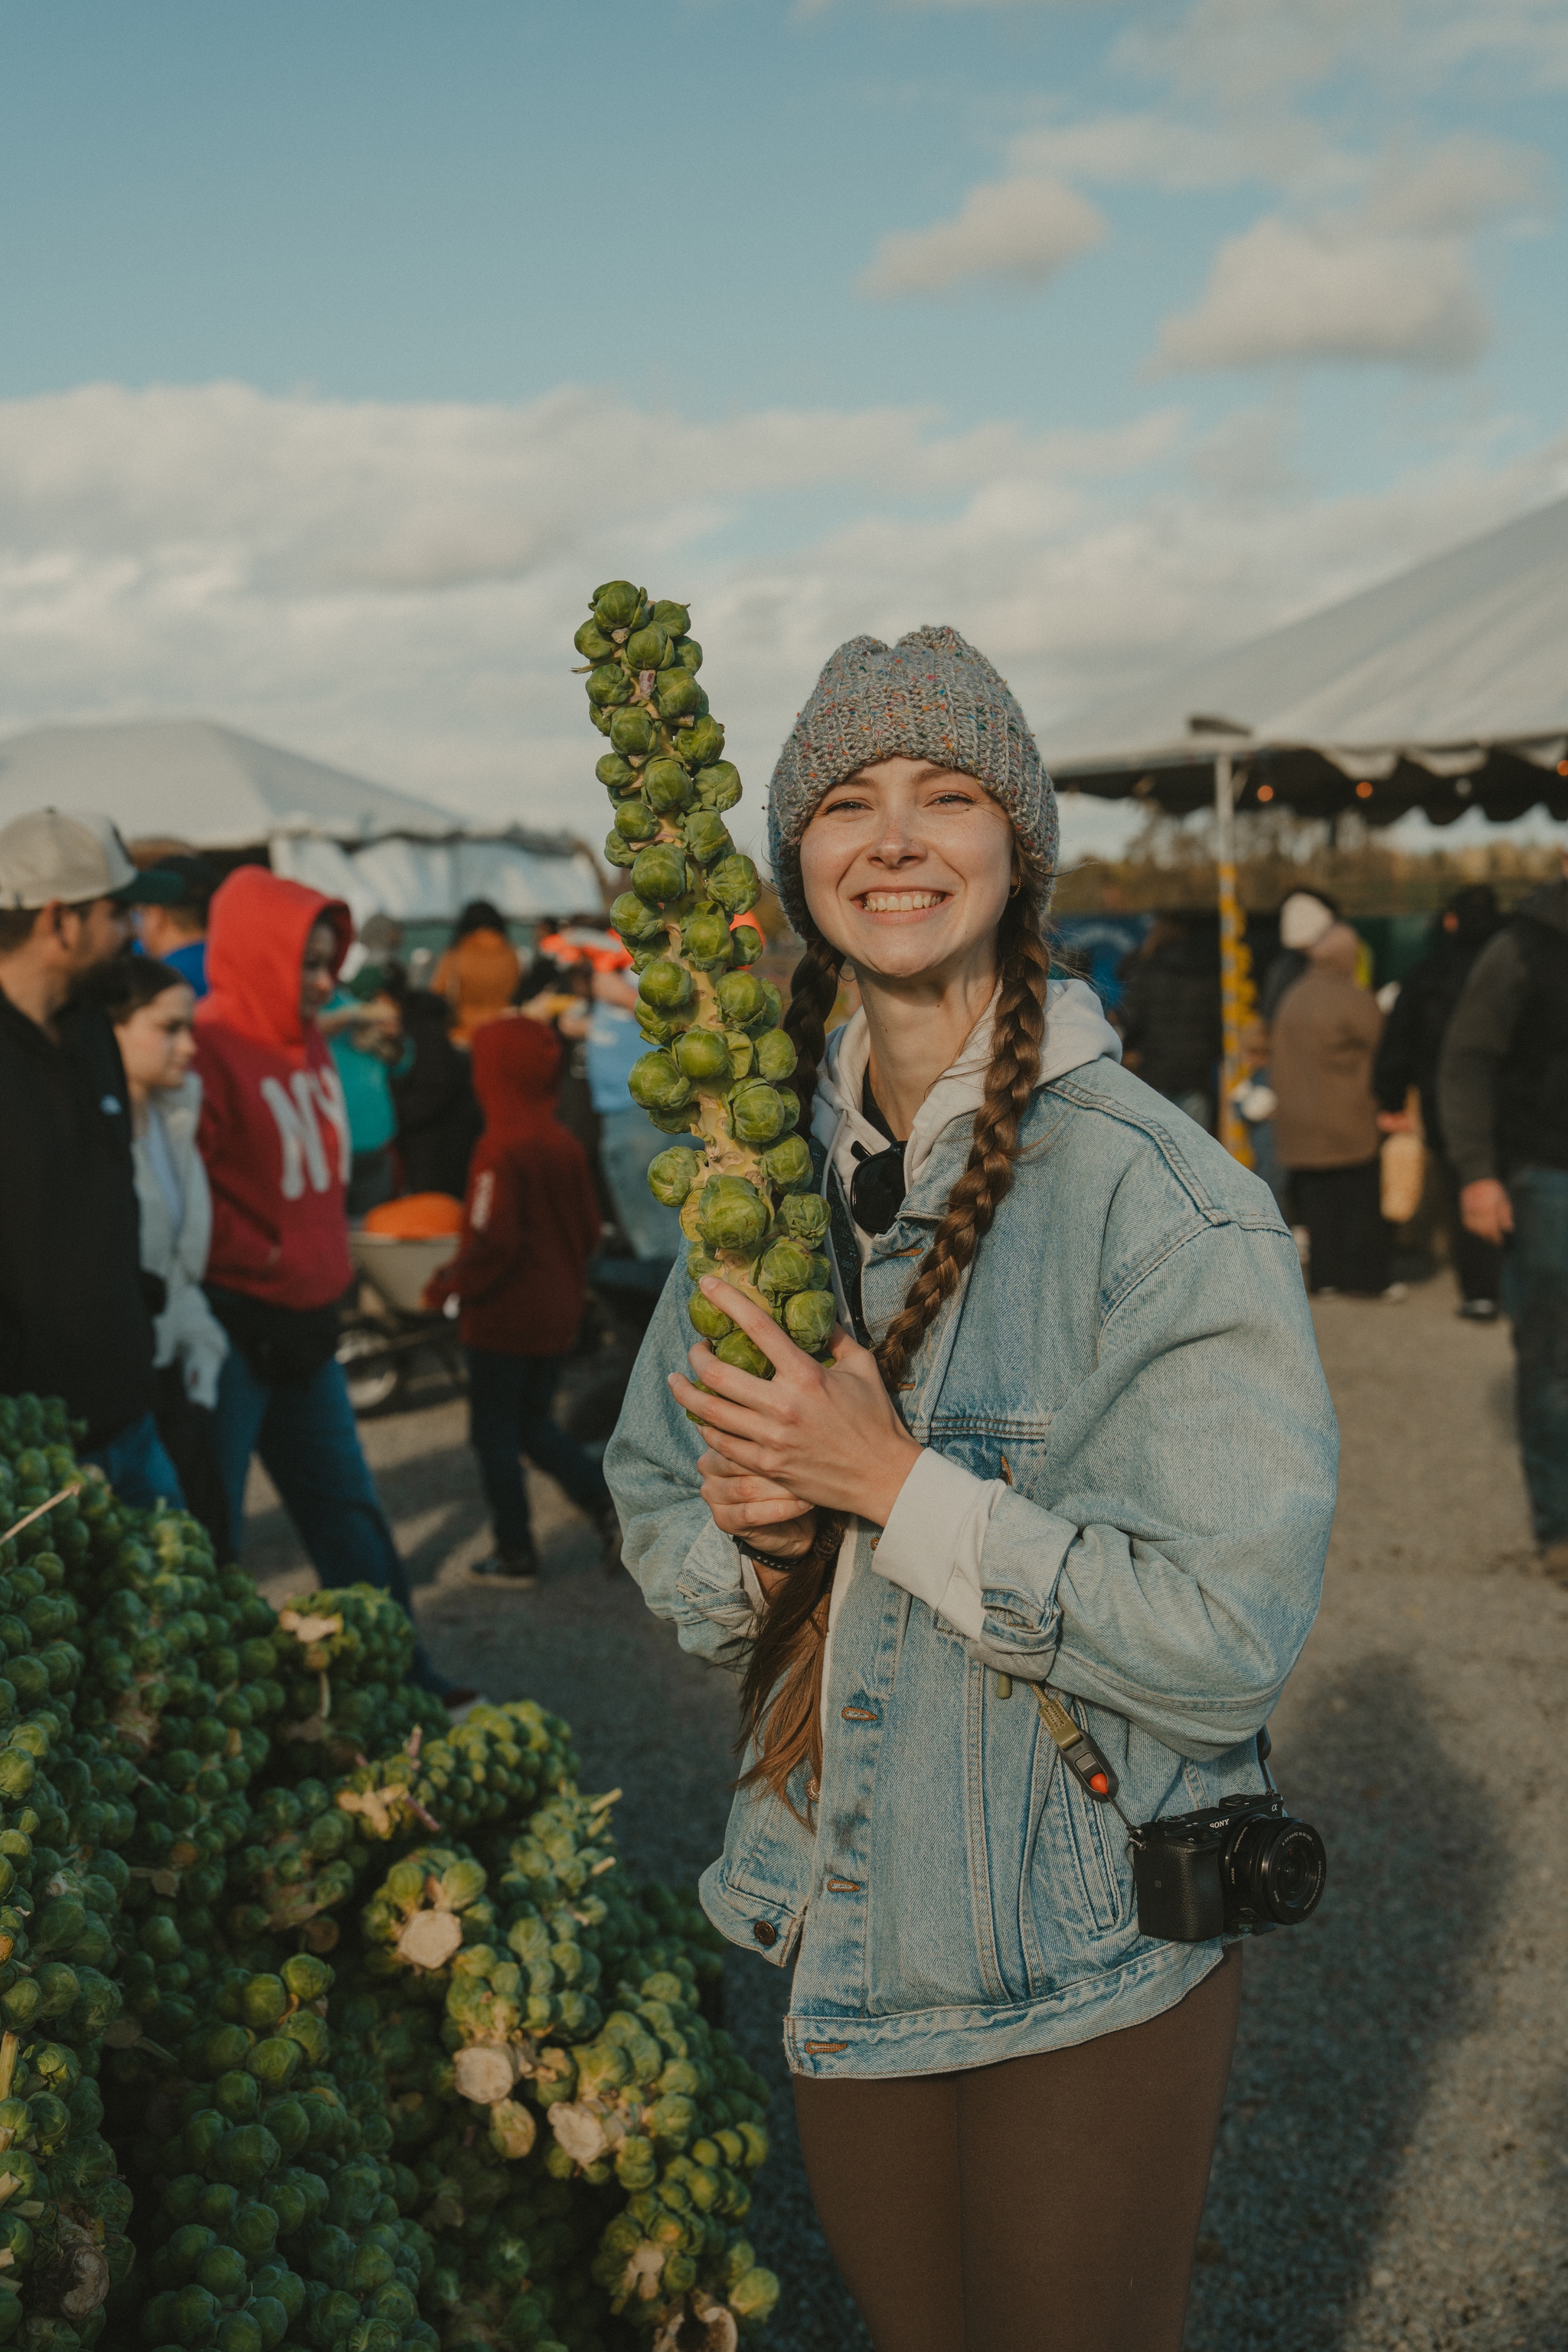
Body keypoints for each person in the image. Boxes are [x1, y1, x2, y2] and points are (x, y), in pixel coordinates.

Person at [606, 626, 1336, 2352]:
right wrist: (756, 1532)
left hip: (1083, 1942)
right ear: (796, 864)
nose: (897, 836)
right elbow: (657, 1500)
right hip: (845, 1916)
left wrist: (893, 1486)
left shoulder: (1162, 1200)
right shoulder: (751, 1177)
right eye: (846, 802)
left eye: (949, 794)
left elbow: (1224, 1634)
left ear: (1020, 850)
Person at [194, 865, 458, 1694]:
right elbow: (186, 1192)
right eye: (305, 964)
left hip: (308, 1323)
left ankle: (401, 1674)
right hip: (233, 1327)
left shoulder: (307, 1036)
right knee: (209, 1532)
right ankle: (205, 1706)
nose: (321, 982)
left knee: (348, 1514)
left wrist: (321, 1268)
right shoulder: (205, 1042)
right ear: (253, 955)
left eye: (327, 963)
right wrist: (270, 1264)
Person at [0, 808, 184, 1506]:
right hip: (33, 1462)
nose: (135, 932)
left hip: (132, 1422)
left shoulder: (90, 1032)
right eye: (120, 911)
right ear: (59, 921)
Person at [423, 1015, 619, 1585]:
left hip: (503, 1319)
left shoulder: (498, 1148)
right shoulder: (562, 1141)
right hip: (556, 1312)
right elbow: (586, 1231)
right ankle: (603, 1504)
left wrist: (447, 1285)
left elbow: (491, 1240)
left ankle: (515, 1550)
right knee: (534, 1422)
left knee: (494, 1435)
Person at [1439, 853, 1568, 1578]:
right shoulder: (1523, 945)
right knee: (1554, 1362)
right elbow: (1467, 1060)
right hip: (1550, 1177)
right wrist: (1479, 1174)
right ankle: (1561, 1527)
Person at [100, 952, 232, 1550]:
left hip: (179, 1380)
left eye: (191, 1029)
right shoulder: (87, 1143)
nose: (187, 1047)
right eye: (169, 1028)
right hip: (119, 1392)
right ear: (113, 1028)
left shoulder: (174, 1117)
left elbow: (180, 1269)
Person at [1374, 886, 1503, 1320]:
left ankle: (1482, 1289)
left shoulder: (1426, 975)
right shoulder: (1516, 969)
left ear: (1451, 921)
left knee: (1464, 1186)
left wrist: (1391, 1096)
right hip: (1512, 1103)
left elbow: (1399, 1043)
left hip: (1444, 1103)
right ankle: (1516, 1285)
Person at [1271, 921, 1398, 1298]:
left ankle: (1324, 1278)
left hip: (1299, 1120)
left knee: (1318, 1204)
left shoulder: (1292, 995)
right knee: (1359, 1204)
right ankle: (1365, 1280)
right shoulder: (1350, 996)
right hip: (1348, 1117)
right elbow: (1382, 1044)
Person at [584, 965, 684, 1263]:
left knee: (659, 1234)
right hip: (618, 1111)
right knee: (638, 1218)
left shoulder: (666, 967)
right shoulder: (624, 966)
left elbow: (683, 1026)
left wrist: (626, 998)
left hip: (646, 1114)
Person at [1115, 911, 1223, 1131]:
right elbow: (1218, 1031)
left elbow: (1129, 1020)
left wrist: (1145, 951)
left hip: (1156, 1077)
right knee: (1196, 1154)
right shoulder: (1210, 972)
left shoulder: (1148, 970)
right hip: (1196, 1079)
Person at [318, 979, 413, 1220]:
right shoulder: (302, 1021)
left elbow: (401, 1063)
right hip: (327, 1146)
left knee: (365, 1225)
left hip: (371, 1145)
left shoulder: (365, 1016)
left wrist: (394, 1036)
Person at [126, 851, 218, 997]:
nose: (136, 930)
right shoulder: (240, 972)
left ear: (157, 917)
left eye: (141, 914)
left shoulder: (155, 987)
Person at [433, 900, 521, 1044]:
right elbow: (516, 988)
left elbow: (438, 991)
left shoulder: (456, 954)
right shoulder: (511, 954)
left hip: (463, 1032)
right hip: (501, 1031)